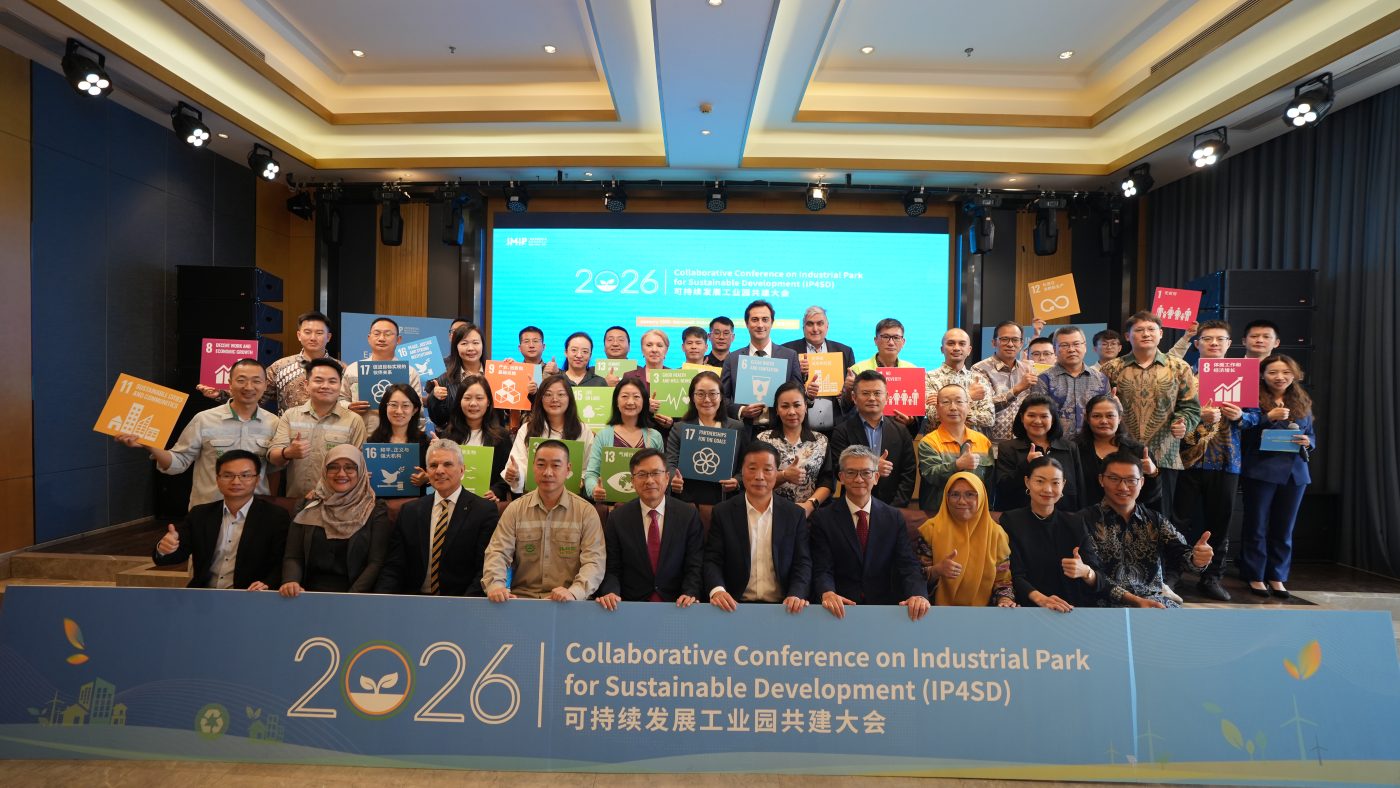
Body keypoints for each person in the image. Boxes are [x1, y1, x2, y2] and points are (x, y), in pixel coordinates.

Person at [119, 358, 278, 508]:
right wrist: (150, 445)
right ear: (229, 384)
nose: (249, 387)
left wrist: (272, 506)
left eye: (256, 381)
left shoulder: (273, 423)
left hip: (256, 513)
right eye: (241, 380)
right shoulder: (204, 419)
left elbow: (274, 470)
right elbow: (179, 461)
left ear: (265, 385)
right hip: (208, 511)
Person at [1175, 321, 1257, 601]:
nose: (1213, 343)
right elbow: (1170, 412)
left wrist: (1241, 416)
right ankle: (1173, 573)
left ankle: (1212, 578)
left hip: (1226, 460)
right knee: (1178, 521)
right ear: (1197, 343)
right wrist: (1197, 415)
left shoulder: (1242, 374)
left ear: (1229, 344)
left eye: (1220, 339)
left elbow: (1256, 415)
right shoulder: (1184, 374)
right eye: (1207, 339)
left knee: (1220, 523)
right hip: (1186, 459)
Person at [1078, 452, 1213, 608]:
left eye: (1131, 480)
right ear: (1101, 480)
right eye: (1114, 479)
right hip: (1104, 606)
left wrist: (1198, 559)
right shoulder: (1083, 521)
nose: (1123, 487)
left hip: (1153, 603)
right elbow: (1092, 574)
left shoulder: (1155, 520)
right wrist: (1135, 601)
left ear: (1141, 482)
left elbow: (1183, 554)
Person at [810, 445, 929, 620]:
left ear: (876, 477)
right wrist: (827, 592)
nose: (859, 479)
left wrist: (918, 594)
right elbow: (822, 567)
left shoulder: (893, 517)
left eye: (866, 473)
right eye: (851, 473)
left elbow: (907, 564)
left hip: (884, 610)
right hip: (839, 609)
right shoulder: (823, 518)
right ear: (841, 477)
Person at [1100, 311, 1200, 514]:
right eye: (1139, 330)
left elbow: (1190, 406)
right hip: (1122, 453)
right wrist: (1110, 405)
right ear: (1127, 336)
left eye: (1151, 329)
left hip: (1165, 454)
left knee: (1161, 517)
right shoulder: (1111, 368)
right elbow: (1098, 407)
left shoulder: (1179, 367)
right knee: (1119, 513)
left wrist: (1183, 423)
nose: (1146, 334)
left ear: (1160, 334)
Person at [482, 439, 605, 601]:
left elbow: (594, 562)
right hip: (523, 599)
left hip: (569, 601)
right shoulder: (515, 509)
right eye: (541, 465)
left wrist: (574, 592)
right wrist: (496, 585)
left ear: (568, 469)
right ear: (533, 467)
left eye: (556, 465)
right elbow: (497, 552)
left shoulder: (585, 512)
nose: (547, 472)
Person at [374, 439, 500, 596]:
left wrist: (465, 605)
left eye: (447, 464)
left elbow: (485, 568)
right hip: (414, 600)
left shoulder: (484, 511)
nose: (439, 471)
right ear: (427, 472)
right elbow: (394, 565)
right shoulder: (410, 511)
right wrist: (381, 601)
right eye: (433, 465)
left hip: (460, 601)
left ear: (462, 470)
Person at [151, 450, 290, 590]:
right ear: (217, 479)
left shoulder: (275, 517)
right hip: (205, 594)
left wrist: (268, 583)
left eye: (245, 475)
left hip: (250, 594)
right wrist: (164, 549)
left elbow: (281, 562)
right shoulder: (200, 514)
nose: (236, 481)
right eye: (227, 475)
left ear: (257, 479)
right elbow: (174, 556)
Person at [702, 442, 811, 614]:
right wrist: (718, 590)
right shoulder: (723, 512)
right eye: (752, 468)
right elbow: (712, 559)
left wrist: (796, 594)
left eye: (767, 469)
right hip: (733, 607)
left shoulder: (794, 515)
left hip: (783, 608)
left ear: (776, 473)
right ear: (742, 471)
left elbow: (802, 562)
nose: (759, 476)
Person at [1240, 354, 1316, 599]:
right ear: (1262, 375)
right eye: (1273, 372)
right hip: (1261, 470)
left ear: (1294, 375)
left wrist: (1308, 441)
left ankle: (1278, 577)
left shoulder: (1301, 399)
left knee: (1284, 529)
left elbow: (1311, 434)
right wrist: (1267, 418)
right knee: (1256, 526)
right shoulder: (1252, 398)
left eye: (1285, 372)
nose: (1280, 377)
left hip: (1295, 473)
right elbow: (1242, 431)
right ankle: (1255, 575)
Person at [595, 448, 704, 609]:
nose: (649, 480)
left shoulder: (688, 515)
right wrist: (611, 592)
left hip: (678, 605)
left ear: (667, 477)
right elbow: (612, 568)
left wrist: (690, 593)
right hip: (630, 606)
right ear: (632, 481)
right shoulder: (618, 518)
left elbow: (694, 565)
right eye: (642, 474)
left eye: (655, 473)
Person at [278, 445, 392, 596]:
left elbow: (376, 563)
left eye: (349, 467)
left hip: (356, 596)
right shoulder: (306, 506)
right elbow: (294, 556)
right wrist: (291, 581)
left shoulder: (375, 510)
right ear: (324, 471)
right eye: (333, 467)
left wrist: (350, 598)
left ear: (361, 471)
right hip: (307, 595)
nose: (341, 473)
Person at [1001, 456, 1107, 611]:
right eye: (1040, 481)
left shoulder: (1075, 522)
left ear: (1063, 484)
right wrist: (1042, 600)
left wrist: (1085, 572)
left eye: (1055, 483)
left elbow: (1100, 578)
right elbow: (1014, 574)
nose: (1048, 489)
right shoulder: (1011, 521)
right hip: (1029, 609)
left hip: (1072, 609)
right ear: (1027, 482)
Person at [197, 311, 336, 415]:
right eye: (307, 332)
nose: (313, 338)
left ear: (328, 337)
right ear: (299, 335)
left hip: (332, 435)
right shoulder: (280, 366)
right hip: (288, 435)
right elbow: (255, 396)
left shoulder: (341, 369)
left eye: (319, 333)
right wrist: (220, 394)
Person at [268, 358, 367, 500]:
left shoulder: (354, 420)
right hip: (297, 502)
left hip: (336, 503)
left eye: (332, 381)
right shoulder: (291, 416)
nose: (325, 386)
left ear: (340, 386)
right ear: (306, 385)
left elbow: (359, 469)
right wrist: (288, 452)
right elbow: (274, 459)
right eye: (319, 380)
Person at [915, 472, 1015, 607]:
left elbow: (1003, 581)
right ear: (946, 497)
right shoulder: (930, 530)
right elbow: (914, 577)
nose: (961, 501)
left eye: (970, 494)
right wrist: (937, 570)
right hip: (936, 611)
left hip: (983, 613)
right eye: (955, 494)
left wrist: (1005, 600)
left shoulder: (996, 534)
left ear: (981, 497)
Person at [828, 370, 916, 509]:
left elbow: (908, 474)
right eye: (865, 393)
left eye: (877, 393)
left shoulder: (901, 431)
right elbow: (839, 470)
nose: (872, 398)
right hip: (853, 506)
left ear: (887, 397)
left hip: (893, 507)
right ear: (854, 397)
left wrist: (894, 509)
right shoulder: (842, 431)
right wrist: (872, 468)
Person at [502, 374, 595, 496]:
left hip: (571, 497)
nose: (554, 399)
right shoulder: (527, 429)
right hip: (533, 495)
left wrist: (582, 480)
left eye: (561, 394)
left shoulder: (583, 430)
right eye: (548, 394)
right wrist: (516, 474)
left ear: (570, 398)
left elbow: (588, 469)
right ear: (540, 399)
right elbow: (518, 464)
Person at [665, 371, 748, 506]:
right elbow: (670, 463)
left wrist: (737, 481)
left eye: (713, 394)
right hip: (688, 500)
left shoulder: (737, 427)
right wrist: (674, 479)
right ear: (692, 397)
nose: (707, 400)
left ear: (721, 397)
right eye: (700, 394)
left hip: (725, 500)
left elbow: (745, 465)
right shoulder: (679, 428)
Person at [720, 300, 803, 433]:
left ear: (772, 323)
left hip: (779, 431)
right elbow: (722, 397)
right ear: (747, 323)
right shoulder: (733, 359)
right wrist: (741, 410)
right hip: (743, 431)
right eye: (755, 320)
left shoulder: (789, 356)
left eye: (765, 319)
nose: (760, 325)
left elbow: (798, 393)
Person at [993, 395, 1086, 512]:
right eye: (1031, 415)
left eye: (1044, 416)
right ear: (1022, 417)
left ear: (1053, 419)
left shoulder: (1070, 448)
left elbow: (1080, 488)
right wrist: (1026, 465)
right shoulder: (1008, 448)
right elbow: (1003, 488)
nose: (1037, 421)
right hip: (1021, 517)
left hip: (1065, 516)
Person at [756, 381, 833, 516]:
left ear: (805, 407)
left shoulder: (821, 441)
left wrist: (809, 506)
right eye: (785, 406)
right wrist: (784, 475)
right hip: (770, 514)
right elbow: (755, 478)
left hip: (811, 516)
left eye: (797, 405)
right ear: (777, 410)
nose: (791, 412)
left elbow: (827, 481)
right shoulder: (763, 439)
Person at [1074, 394, 1161, 510]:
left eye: (1110, 416)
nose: (1104, 421)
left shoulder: (1137, 451)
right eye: (1096, 416)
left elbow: (1152, 497)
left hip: (1126, 516)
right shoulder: (1074, 450)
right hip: (1084, 516)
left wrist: (1153, 473)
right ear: (1087, 418)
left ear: (1119, 418)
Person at [584, 378, 665, 503]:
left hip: (646, 506)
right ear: (616, 401)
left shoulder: (655, 436)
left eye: (636, 397)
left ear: (644, 402)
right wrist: (594, 489)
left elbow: (661, 473)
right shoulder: (603, 436)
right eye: (625, 396)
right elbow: (591, 474)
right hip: (612, 506)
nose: (630, 402)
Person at [916, 384, 993, 512]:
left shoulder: (983, 441)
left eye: (959, 401)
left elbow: (989, 484)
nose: (953, 407)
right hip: (938, 513)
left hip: (976, 513)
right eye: (946, 402)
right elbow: (931, 475)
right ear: (937, 408)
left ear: (968, 406)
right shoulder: (929, 442)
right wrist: (957, 465)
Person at [341, 317, 423, 435]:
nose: (381, 338)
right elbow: (340, 399)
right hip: (358, 435)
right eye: (376, 333)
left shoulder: (409, 372)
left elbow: (418, 408)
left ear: (398, 339)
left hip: (397, 438)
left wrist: (417, 438)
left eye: (388, 334)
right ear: (369, 338)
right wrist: (349, 406)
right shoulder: (353, 369)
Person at [780, 306, 856, 433]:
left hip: (837, 429)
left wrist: (849, 389)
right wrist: (797, 371)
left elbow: (850, 401)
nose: (815, 329)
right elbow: (780, 391)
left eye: (820, 323)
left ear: (827, 326)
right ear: (803, 327)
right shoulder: (787, 351)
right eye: (810, 324)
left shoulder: (844, 351)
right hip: (799, 428)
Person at [437, 374, 512, 502]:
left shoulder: (501, 436)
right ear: (459, 401)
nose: (473, 403)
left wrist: (495, 491)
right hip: (453, 502)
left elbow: (505, 475)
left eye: (479, 398)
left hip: (486, 503)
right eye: (467, 398)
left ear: (488, 402)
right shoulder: (448, 436)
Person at [1031, 326, 1111, 439]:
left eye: (1076, 344)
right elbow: (1037, 417)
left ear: (1085, 347)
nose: (1071, 349)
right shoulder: (1043, 379)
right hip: (1056, 444)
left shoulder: (1101, 379)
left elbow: (1108, 415)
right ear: (1054, 350)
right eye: (1064, 345)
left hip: (1093, 443)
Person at [971, 320, 1038, 442]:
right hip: (991, 444)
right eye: (1004, 339)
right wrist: (1017, 389)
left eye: (1015, 340)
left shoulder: (1027, 369)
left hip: (1023, 442)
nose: (1010, 344)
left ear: (1021, 343)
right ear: (994, 343)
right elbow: (984, 407)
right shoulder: (980, 369)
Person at [366, 383, 431, 495]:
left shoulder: (425, 442)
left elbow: (437, 475)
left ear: (414, 410)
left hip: (416, 503)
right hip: (379, 504)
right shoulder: (372, 443)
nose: (399, 411)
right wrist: (363, 477)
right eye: (393, 405)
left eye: (405, 405)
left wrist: (427, 478)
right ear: (385, 407)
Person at [924, 328, 993, 431]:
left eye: (962, 344)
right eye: (951, 343)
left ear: (969, 350)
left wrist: (945, 406)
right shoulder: (928, 378)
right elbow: (933, 415)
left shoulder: (980, 380)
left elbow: (989, 419)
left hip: (973, 440)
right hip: (937, 440)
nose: (956, 348)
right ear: (942, 349)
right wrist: (969, 396)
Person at [427, 322, 486, 427]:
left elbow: (503, 413)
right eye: (464, 343)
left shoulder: (494, 374)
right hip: (455, 435)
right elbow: (438, 420)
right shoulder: (444, 378)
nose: (470, 348)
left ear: (482, 345)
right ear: (456, 347)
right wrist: (435, 398)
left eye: (476, 343)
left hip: (488, 436)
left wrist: (512, 373)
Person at [621, 329, 675, 432]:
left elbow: (683, 417)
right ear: (642, 350)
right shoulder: (629, 377)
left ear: (666, 350)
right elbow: (621, 409)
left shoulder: (675, 377)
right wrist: (644, 406)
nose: (654, 349)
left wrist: (671, 424)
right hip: (635, 433)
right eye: (649, 345)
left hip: (667, 436)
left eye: (659, 345)